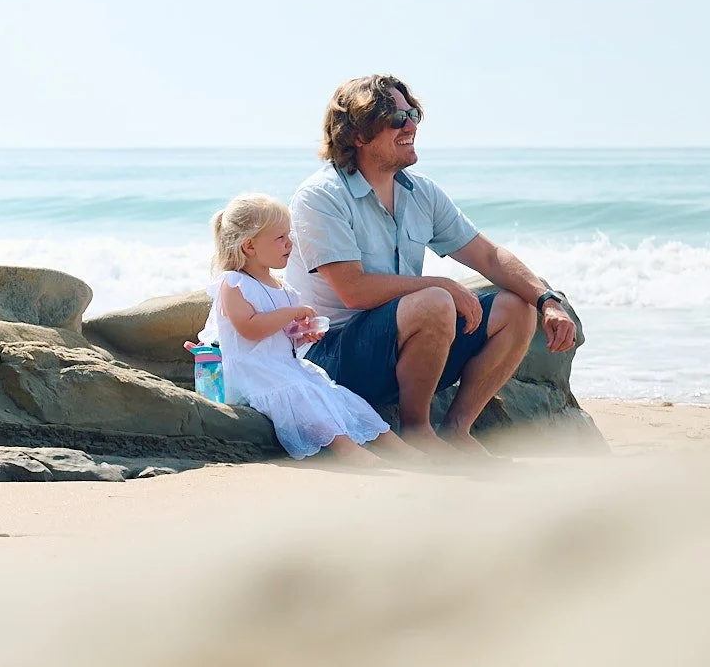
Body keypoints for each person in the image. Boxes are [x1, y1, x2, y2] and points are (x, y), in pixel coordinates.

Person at [287, 75, 578, 456]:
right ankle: (417, 430)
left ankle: (457, 430)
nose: (410, 125)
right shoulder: (321, 196)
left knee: (515, 307)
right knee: (436, 299)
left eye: (413, 114)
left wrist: (547, 301)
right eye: (395, 117)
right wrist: (442, 286)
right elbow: (352, 290)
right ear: (357, 134)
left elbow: (488, 256)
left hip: (401, 349)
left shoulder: (419, 192)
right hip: (332, 360)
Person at [199, 194, 422, 464]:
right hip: (254, 371)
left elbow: (282, 333)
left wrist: (302, 332)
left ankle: (395, 446)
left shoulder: (283, 287)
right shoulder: (234, 284)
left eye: (289, 236)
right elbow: (250, 329)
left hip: (284, 365)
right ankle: (348, 451)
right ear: (249, 246)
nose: (289, 244)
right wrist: (291, 314)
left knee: (335, 393)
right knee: (303, 393)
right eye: (280, 238)